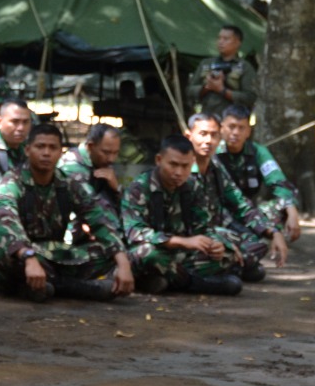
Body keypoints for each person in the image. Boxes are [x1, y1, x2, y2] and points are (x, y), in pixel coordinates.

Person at [0, 123, 134, 303]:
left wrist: (123, 262)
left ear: (60, 152)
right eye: (40, 147)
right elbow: (6, 223)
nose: (46, 153)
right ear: (27, 150)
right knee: (0, 255)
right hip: (22, 255)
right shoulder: (11, 183)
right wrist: (29, 257)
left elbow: (99, 220)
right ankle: (77, 288)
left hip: (52, 256)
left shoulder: (68, 184)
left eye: (53, 147)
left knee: (112, 253)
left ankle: (45, 287)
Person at [120, 135, 242, 296]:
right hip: (151, 251)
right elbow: (134, 233)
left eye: (185, 166)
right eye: (173, 165)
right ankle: (196, 283)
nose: (179, 172)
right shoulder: (140, 188)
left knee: (228, 253)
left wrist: (215, 244)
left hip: (178, 255)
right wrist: (182, 242)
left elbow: (203, 226)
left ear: (192, 163)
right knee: (149, 254)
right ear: (159, 160)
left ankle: (164, 280)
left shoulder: (192, 186)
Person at [187, 112, 287, 282]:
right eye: (203, 134)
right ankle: (232, 267)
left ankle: (232, 266)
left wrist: (273, 232)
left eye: (214, 135)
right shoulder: (182, 169)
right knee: (243, 268)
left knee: (257, 244)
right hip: (190, 237)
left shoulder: (216, 168)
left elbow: (241, 203)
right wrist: (223, 244)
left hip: (216, 231)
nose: (208, 141)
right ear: (189, 136)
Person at [216, 106, 302, 243]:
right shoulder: (212, 152)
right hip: (219, 211)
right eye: (231, 127)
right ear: (221, 128)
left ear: (248, 131)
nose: (236, 132)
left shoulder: (258, 152)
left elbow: (279, 182)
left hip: (247, 212)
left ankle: (261, 233)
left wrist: (293, 214)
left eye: (241, 128)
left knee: (282, 205)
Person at [184, 25, 257, 117]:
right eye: (219, 38)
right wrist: (207, 87)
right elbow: (189, 90)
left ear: (237, 43)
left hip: (232, 119)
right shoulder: (206, 63)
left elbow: (250, 97)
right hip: (207, 118)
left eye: (226, 39)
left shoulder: (245, 67)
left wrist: (222, 90)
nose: (221, 42)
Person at [58, 123, 124, 214]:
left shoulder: (102, 164)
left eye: (115, 153)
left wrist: (117, 188)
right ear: (90, 146)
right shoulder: (72, 167)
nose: (111, 159)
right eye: (106, 152)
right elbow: (94, 211)